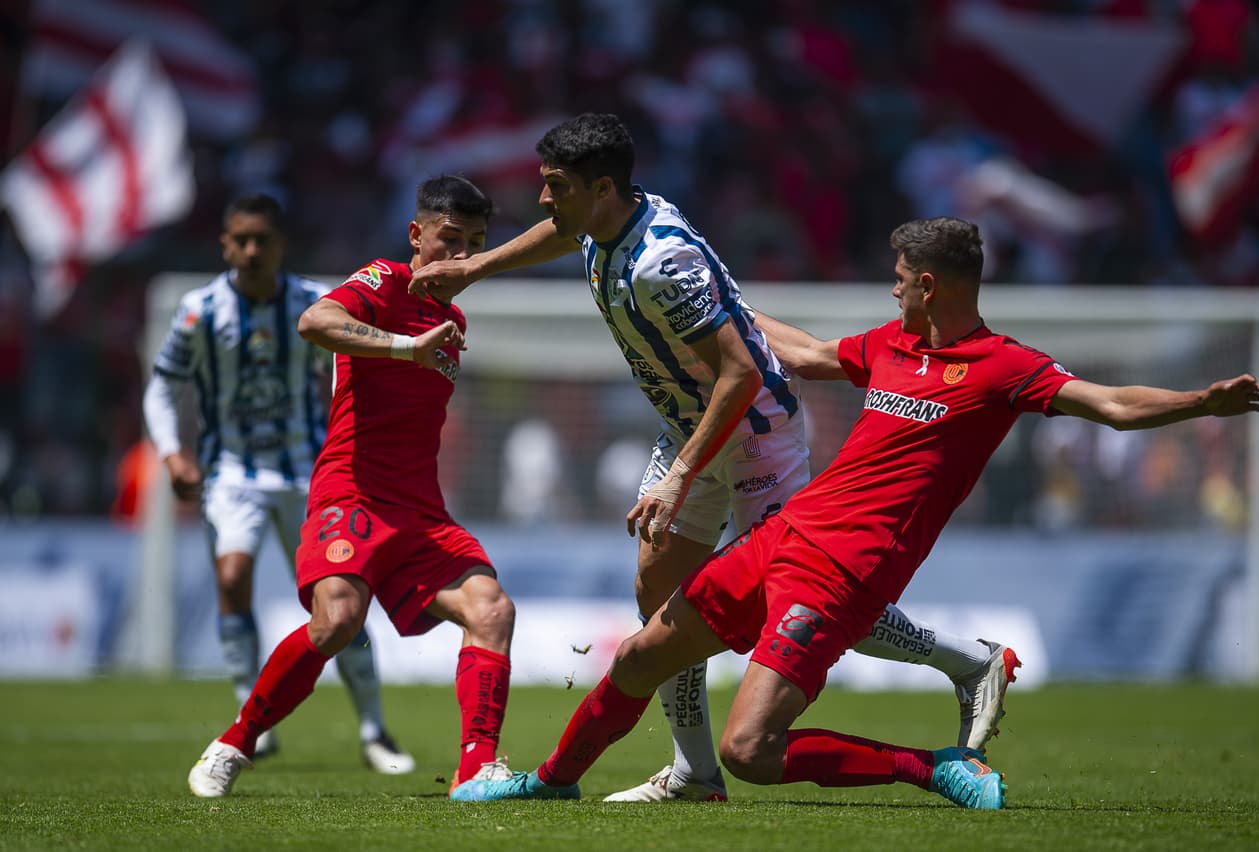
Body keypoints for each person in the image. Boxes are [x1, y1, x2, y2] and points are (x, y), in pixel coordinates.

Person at [448, 215, 1259, 807]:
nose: (892, 288)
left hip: (846, 572)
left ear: (928, 285)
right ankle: (549, 787)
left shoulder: (1003, 369)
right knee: (638, 655)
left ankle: (932, 765)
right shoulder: (892, 344)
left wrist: (1202, 401)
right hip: (784, 535)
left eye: (899, 279)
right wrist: (717, 299)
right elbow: (802, 354)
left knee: (750, 753)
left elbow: (1113, 403)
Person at [412, 113, 1020, 803]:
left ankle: (967, 661)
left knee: (798, 596)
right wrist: (476, 268)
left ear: (602, 188)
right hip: (693, 428)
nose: (545, 200)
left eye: (556, 186)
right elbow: (561, 232)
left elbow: (741, 376)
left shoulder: (658, 263)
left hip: (754, 433)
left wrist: (676, 480)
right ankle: (694, 774)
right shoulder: (602, 221)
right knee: (660, 600)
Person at [186, 176, 518, 798]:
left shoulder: (453, 314)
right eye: (451, 240)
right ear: (417, 235)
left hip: (420, 512)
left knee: (492, 609)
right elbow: (316, 320)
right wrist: (403, 347)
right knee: (337, 619)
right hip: (352, 494)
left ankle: (477, 771)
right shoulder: (383, 281)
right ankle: (236, 741)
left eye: (476, 244)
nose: (463, 256)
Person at [144, 194, 412, 773]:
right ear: (224, 244)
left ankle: (374, 729)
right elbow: (162, 387)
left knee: (342, 601)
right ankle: (250, 714)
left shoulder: (316, 304)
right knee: (234, 578)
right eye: (240, 240)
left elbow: (357, 375)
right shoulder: (199, 311)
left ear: (281, 244)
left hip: (312, 475)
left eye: (261, 240)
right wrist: (171, 454)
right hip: (231, 474)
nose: (250, 251)